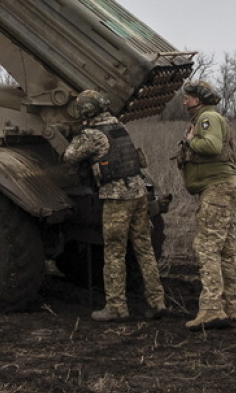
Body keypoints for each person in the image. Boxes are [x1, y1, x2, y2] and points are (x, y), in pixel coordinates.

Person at [62, 90, 166, 322]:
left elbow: (69, 157)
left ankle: (116, 307)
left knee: (114, 252)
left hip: (117, 198)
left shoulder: (92, 135)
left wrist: (78, 134)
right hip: (138, 193)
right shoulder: (120, 126)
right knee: (144, 249)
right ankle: (157, 301)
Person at [176, 80, 236, 331]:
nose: (185, 102)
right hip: (225, 188)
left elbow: (212, 146)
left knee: (206, 247)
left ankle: (212, 310)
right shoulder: (212, 117)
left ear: (200, 99)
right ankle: (231, 308)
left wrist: (191, 141)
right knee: (226, 250)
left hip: (217, 190)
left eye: (188, 97)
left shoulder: (208, 119)